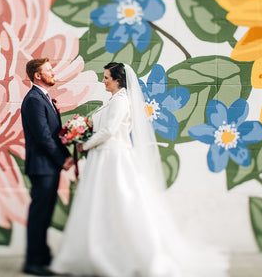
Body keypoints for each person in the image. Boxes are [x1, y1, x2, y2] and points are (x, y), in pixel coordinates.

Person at [50, 62, 229, 276]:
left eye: (107, 77)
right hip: (103, 157)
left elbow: (109, 130)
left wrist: (83, 144)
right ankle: (100, 250)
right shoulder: (113, 100)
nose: (103, 81)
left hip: (113, 158)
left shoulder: (121, 101)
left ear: (118, 79)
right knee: (101, 205)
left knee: (122, 202)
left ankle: (127, 254)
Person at [21, 58, 74, 276]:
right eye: (49, 70)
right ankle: (33, 262)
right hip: (42, 166)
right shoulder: (34, 99)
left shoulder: (43, 98)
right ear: (37, 76)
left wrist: (66, 154)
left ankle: (42, 256)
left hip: (47, 167)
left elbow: (53, 133)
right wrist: (62, 159)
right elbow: (43, 137)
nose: (53, 73)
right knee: (39, 214)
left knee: (44, 214)